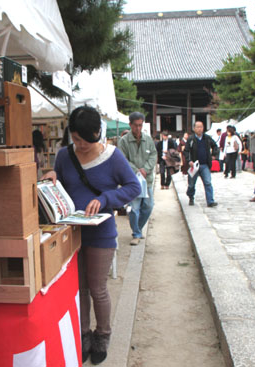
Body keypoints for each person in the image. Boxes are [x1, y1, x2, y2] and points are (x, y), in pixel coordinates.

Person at [42, 106, 141, 364]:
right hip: (71, 232)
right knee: (80, 289)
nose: (80, 145)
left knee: (98, 289)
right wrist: (52, 176)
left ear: (97, 133)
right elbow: (60, 180)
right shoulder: (65, 155)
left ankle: (102, 335)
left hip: (101, 233)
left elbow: (132, 186)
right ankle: (83, 334)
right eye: (75, 139)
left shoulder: (114, 156)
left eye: (85, 140)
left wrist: (106, 197)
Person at [118, 112, 157, 245]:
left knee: (148, 206)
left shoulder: (148, 139)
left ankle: (138, 229)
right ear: (130, 125)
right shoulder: (123, 141)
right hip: (132, 181)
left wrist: (146, 169)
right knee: (134, 208)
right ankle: (136, 233)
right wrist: (136, 170)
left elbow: (153, 155)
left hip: (147, 180)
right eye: (136, 125)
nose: (138, 128)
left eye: (140, 125)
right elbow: (122, 160)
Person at [184, 121, 219, 207]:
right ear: (194, 128)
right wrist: (189, 161)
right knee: (191, 184)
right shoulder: (191, 139)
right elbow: (186, 151)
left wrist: (214, 155)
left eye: (201, 127)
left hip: (204, 164)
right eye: (198, 127)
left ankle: (210, 201)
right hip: (194, 165)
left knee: (208, 182)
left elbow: (215, 146)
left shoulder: (207, 138)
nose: (200, 129)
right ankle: (191, 196)